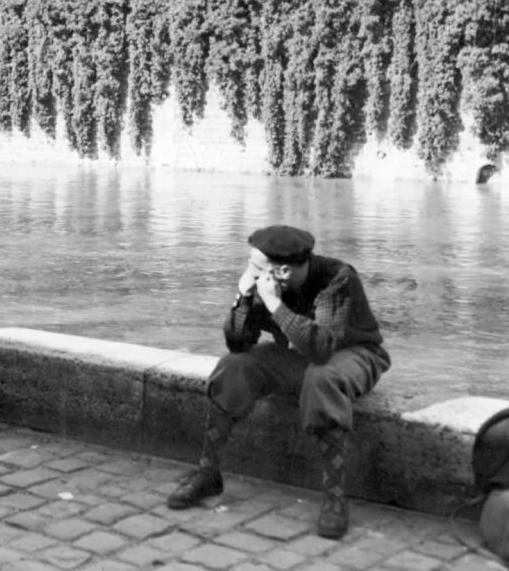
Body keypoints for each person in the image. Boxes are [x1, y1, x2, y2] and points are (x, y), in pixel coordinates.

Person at [165, 225, 390, 540]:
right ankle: (208, 471)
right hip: (297, 353)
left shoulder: (337, 279)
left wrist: (274, 304)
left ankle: (336, 496)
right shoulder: (263, 283)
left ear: (283, 271)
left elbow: (322, 349)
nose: (250, 271)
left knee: (321, 378)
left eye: (256, 268)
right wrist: (242, 301)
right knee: (234, 367)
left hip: (354, 355)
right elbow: (238, 344)